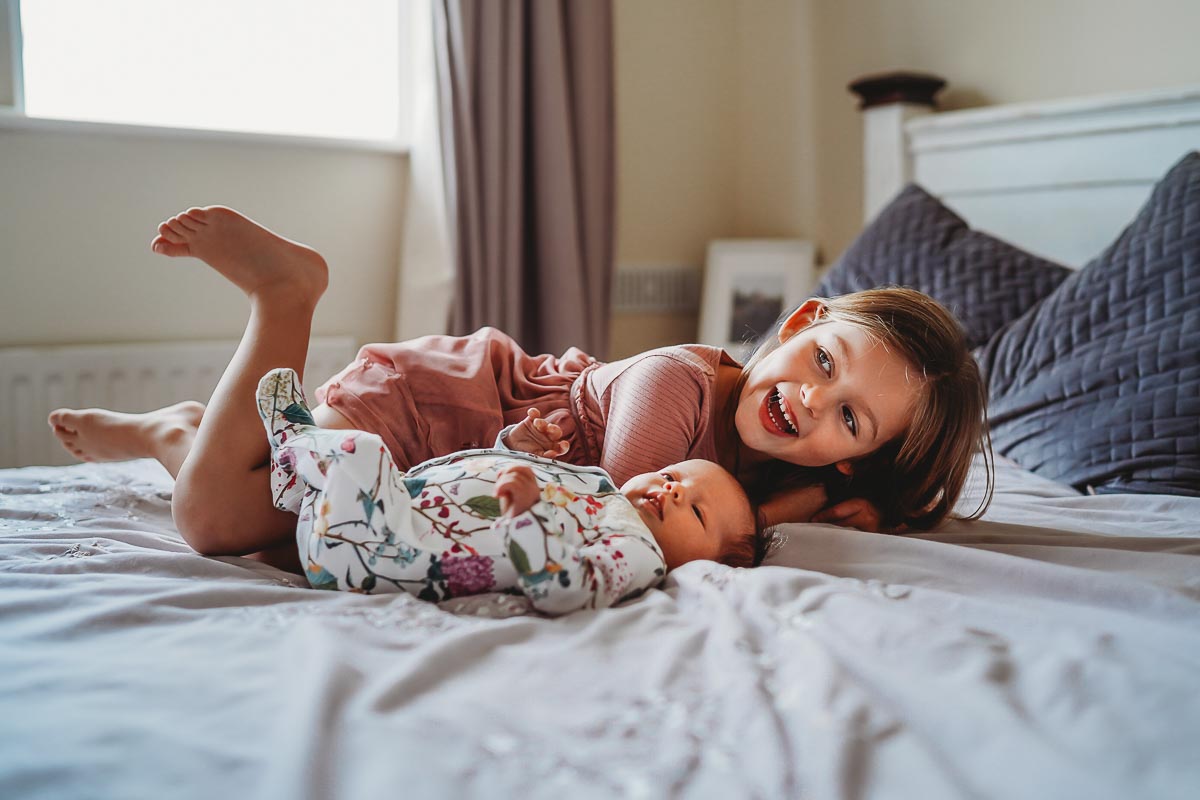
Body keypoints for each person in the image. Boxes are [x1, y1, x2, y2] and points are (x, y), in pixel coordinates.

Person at [48, 205, 991, 563]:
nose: (811, 403)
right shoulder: (671, 385)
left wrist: (832, 507)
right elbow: (622, 517)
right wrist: (803, 511)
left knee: (285, 518)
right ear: (797, 326)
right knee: (223, 522)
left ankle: (178, 431)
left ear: (855, 460)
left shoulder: (780, 473)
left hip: (449, 481)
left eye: (850, 420)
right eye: (823, 365)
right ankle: (284, 298)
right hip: (436, 408)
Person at [255, 367, 759, 615]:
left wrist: (527, 519)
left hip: (382, 554)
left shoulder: (637, 553)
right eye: (673, 477)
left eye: (696, 511)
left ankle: (295, 447)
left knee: (361, 451)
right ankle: (302, 483)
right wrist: (516, 448)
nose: (672, 493)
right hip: (394, 511)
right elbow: (484, 476)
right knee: (366, 462)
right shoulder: (601, 490)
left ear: (707, 565)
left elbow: (569, 587)